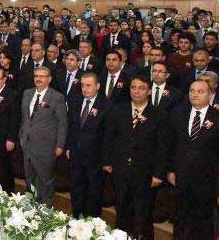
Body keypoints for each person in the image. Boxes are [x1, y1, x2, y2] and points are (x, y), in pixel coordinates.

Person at [103, 75, 168, 239]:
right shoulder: (119, 110)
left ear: (149, 91)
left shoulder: (159, 115)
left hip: (145, 172)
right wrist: (107, 161)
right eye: (133, 87)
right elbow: (109, 137)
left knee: (142, 213)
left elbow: (163, 147)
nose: (136, 91)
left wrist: (158, 173)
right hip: (121, 168)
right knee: (121, 208)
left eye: (141, 88)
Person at [168, 80, 219, 239]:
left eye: (200, 91)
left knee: (203, 222)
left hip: (207, 181)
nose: (195, 94)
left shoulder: (217, 117)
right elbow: (171, 144)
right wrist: (170, 169)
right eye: (192, 91)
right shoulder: (178, 113)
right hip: (181, 178)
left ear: (210, 94)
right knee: (180, 218)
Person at [19, 66, 68, 206]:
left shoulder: (57, 97)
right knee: (29, 178)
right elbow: (24, 118)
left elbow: (63, 123)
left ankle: (46, 208)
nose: (38, 79)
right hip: (27, 144)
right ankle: (31, 205)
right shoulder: (27, 93)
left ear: (49, 79)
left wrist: (60, 145)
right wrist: (22, 135)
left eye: (42, 76)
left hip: (46, 146)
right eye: (36, 76)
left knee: (45, 180)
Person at [66, 73, 112, 218]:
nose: (85, 89)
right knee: (76, 189)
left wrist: (106, 160)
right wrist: (69, 146)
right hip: (76, 155)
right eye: (82, 85)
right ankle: (76, 216)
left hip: (95, 159)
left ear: (97, 86)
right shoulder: (75, 100)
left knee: (93, 193)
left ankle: (91, 222)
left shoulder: (107, 106)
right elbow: (71, 125)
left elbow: (108, 136)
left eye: (88, 85)